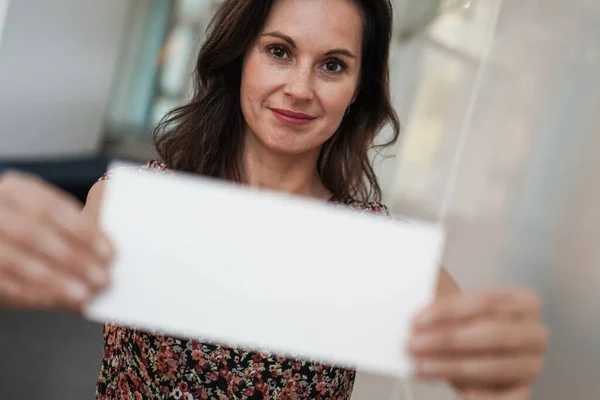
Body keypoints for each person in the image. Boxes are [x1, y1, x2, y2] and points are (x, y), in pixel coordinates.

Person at [0, 0, 548, 399]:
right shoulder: (133, 205)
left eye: (333, 64)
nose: (301, 88)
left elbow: (487, 376)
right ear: (241, 57)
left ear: (359, 88)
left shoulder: (377, 251)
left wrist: (503, 381)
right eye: (279, 52)